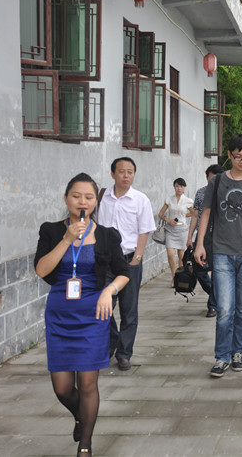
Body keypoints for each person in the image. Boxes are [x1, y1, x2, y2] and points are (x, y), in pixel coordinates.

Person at [35, 173, 130, 456]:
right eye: (76, 196)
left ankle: (85, 445)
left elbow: (123, 272)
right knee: (63, 388)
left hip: (93, 315)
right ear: (66, 199)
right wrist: (66, 239)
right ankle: (80, 415)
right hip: (60, 315)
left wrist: (108, 290)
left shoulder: (107, 235)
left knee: (88, 383)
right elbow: (41, 270)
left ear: (95, 202)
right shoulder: (51, 231)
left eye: (89, 197)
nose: (82, 202)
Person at [194, 135, 242, 377]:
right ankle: (221, 356)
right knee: (225, 309)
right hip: (222, 253)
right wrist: (199, 244)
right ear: (229, 155)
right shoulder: (217, 181)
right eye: (238, 157)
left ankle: (238, 352)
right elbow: (206, 214)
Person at [97, 157, 156, 371]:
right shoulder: (102, 198)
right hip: (105, 261)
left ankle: (124, 353)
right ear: (113, 174)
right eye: (122, 171)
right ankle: (112, 339)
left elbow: (145, 230)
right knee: (103, 306)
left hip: (129, 259)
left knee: (129, 309)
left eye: (130, 172)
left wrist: (137, 258)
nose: (126, 175)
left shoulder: (140, 200)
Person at [187, 164, 224, 318]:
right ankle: (219, 297)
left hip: (220, 237)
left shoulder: (225, 192)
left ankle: (213, 305)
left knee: (217, 271)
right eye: (211, 177)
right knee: (198, 270)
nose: (213, 180)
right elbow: (195, 215)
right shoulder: (201, 192)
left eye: (217, 177)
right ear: (207, 177)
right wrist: (190, 237)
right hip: (202, 237)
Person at [158, 177, 194, 285]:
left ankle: (179, 277)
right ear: (174, 187)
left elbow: (193, 213)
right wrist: (168, 220)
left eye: (181, 186)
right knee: (170, 253)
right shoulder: (169, 199)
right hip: (170, 229)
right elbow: (161, 214)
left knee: (181, 255)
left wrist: (184, 216)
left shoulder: (188, 201)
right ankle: (173, 276)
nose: (179, 188)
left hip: (182, 229)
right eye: (177, 186)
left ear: (184, 188)